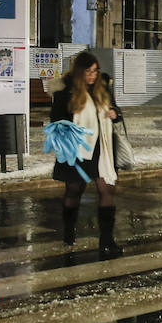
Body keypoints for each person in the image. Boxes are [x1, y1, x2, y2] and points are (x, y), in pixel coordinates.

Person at [50, 51, 125, 258]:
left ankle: (107, 241)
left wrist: (115, 113)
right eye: (88, 72)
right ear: (79, 72)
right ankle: (68, 231)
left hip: (101, 148)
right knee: (74, 190)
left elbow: (116, 111)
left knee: (107, 189)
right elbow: (56, 122)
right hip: (77, 150)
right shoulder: (66, 93)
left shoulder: (102, 90)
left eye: (95, 71)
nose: (92, 76)